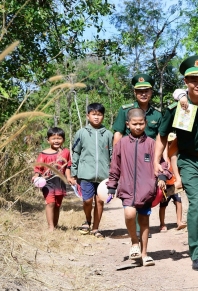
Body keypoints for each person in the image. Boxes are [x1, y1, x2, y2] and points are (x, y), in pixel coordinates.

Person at [154, 55, 198, 271]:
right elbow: (162, 135)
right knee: (196, 203)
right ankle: (197, 253)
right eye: (194, 80)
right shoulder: (177, 109)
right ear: (186, 82)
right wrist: (157, 161)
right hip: (188, 161)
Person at [112, 73, 164, 239]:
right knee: (131, 191)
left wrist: (162, 161)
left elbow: (160, 138)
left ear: (151, 92)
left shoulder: (157, 114)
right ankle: (136, 230)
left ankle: (143, 225)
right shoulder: (125, 110)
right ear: (134, 92)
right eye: (139, 90)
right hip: (130, 157)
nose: (143, 93)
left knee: (146, 191)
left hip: (149, 158)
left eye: (147, 90)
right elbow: (118, 135)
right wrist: (117, 159)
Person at [107, 108, 159, 267]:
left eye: (141, 123)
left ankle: (144, 254)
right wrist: (111, 186)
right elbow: (115, 166)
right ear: (127, 124)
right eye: (134, 124)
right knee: (130, 214)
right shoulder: (121, 143)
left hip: (146, 190)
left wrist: (162, 177)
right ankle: (134, 243)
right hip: (127, 188)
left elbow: (160, 163)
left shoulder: (151, 143)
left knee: (144, 221)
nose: (138, 127)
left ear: (146, 123)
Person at [71, 103, 113, 238]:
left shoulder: (108, 134)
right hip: (86, 174)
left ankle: (96, 228)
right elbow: (75, 153)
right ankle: (87, 220)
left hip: (103, 176)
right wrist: (74, 172)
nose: (96, 117)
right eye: (94, 114)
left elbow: (112, 155)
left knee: (100, 201)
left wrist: (113, 174)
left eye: (99, 115)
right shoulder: (81, 133)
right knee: (87, 201)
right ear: (87, 116)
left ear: (103, 117)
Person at [32, 127, 73, 231]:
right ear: (48, 140)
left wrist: (68, 177)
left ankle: (55, 225)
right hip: (47, 182)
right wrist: (36, 176)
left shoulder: (66, 152)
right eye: (53, 138)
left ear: (63, 139)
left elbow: (68, 166)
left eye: (59, 138)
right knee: (51, 203)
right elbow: (38, 168)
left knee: (57, 204)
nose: (56, 140)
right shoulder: (43, 153)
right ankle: (51, 227)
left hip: (60, 182)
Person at [158, 132, 187, 233]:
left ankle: (179, 221)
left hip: (175, 185)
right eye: (169, 143)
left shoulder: (178, 157)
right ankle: (162, 224)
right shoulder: (162, 158)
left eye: (173, 143)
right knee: (163, 204)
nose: (171, 145)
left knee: (178, 201)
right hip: (166, 185)